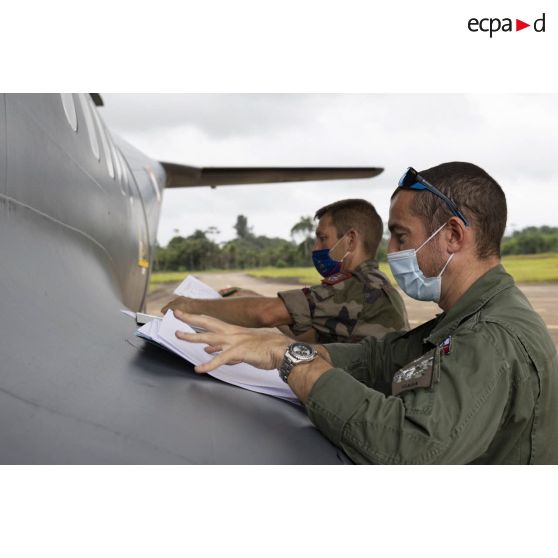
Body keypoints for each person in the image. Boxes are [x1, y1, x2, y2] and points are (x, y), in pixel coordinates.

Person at [172, 162, 558, 464]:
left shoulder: (491, 335)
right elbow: (382, 357)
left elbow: (408, 448)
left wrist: (292, 360)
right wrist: (279, 348)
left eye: (401, 236)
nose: (390, 250)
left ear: (453, 236)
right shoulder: (470, 315)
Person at [162, 199, 408, 343]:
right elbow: (307, 336)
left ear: (350, 241)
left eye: (323, 238)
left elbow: (267, 314)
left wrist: (190, 306)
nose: (316, 248)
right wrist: (253, 296)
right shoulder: (372, 282)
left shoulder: (358, 286)